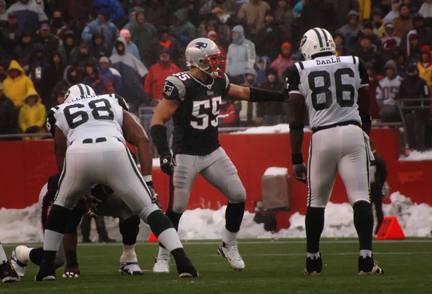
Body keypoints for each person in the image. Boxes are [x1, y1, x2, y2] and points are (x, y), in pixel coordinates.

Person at [35, 84, 198, 281]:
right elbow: (142, 139)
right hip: (114, 149)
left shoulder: (60, 111)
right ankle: (183, 261)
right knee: (149, 209)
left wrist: (75, 191)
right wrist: (148, 183)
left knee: (61, 207)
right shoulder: (112, 101)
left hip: (78, 153)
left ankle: (46, 269)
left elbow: (60, 152)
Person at [150, 37, 285, 273]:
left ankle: (228, 245)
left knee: (238, 194)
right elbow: (158, 120)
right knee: (177, 207)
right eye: (212, 60)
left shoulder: (218, 81)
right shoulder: (182, 84)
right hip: (185, 154)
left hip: (212, 151)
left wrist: (277, 95)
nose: (217, 65)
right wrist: (163, 153)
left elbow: (243, 92)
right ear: (198, 61)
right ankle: (163, 256)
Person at [285, 27, 383, 275]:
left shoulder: (299, 69)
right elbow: (365, 107)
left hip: (322, 135)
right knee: (361, 196)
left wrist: (296, 158)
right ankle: (366, 260)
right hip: (353, 131)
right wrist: (366, 138)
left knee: (316, 201)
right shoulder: (354, 62)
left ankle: (313, 262)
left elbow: (295, 117)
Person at [11, 172, 144, 277]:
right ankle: (21, 254)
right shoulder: (84, 172)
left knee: (130, 206)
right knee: (56, 259)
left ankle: (129, 258)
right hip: (59, 195)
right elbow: (70, 222)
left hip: (98, 197)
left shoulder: (122, 163)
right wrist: (72, 263)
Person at [369, 141, 387, 235]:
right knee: (371, 209)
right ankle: (372, 229)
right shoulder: (370, 158)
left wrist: (379, 183)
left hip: (375, 187)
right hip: (371, 187)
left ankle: (379, 228)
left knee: (377, 209)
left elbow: (383, 172)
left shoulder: (377, 158)